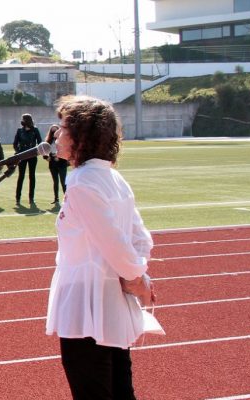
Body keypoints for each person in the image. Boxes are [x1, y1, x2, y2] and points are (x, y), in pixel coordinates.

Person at [46, 95, 155, 400]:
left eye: (63, 127)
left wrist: (136, 276)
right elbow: (140, 238)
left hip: (86, 311)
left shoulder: (82, 182)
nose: (57, 134)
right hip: (110, 307)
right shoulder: (113, 178)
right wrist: (137, 275)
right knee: (120, 391)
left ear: (82, 136)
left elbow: (118, 243)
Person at [13, 113, 43, 205]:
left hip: (32, 155)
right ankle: (18, 198)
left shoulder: (35, 130)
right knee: (21, 176)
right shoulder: (19, 131)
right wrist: (18, 152)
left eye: (23, 119)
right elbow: (15, 143)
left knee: (32, 176)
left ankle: (31, 198)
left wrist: (37, 151)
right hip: (22, 155)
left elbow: (40, 142)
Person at [45, 124, 69, 204]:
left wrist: (59, 157)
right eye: (52, 131)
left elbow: (66, 151)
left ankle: (67, 199)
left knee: (63, 182)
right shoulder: (48, 141)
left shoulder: (62, 140)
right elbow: (44, 151)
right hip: (52, 164)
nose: (54, 132)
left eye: (56, 130)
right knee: (55, 182)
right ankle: (56, 199)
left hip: (62, 163)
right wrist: (46, 157)